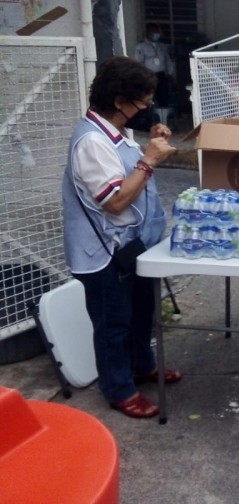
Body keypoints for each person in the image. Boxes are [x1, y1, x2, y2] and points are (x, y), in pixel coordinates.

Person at [61, 56, 181, 419]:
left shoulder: (115, 132)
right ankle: (118, 388)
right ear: (119, 102)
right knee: (114, 323)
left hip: (130, 246)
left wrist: (150, 141)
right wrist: (149, 161)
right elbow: (115, 202)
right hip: (103, 251)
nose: (146, 109)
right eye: (142, 102)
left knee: (142, 311)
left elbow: (127, 166)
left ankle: (142, 365)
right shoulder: (91, 143)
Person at [133, 23, 175, 113]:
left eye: (158, 32)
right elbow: (138, 62)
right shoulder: (141, 46)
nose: (157, 34)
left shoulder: (162, 46)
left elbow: (167, 60)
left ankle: (163, 118)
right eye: (154, 32)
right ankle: (149, 118)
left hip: (161, 75)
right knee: (149, 97)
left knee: (164, 97)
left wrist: (170, 73)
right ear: (148, 32)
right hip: (149, 75)